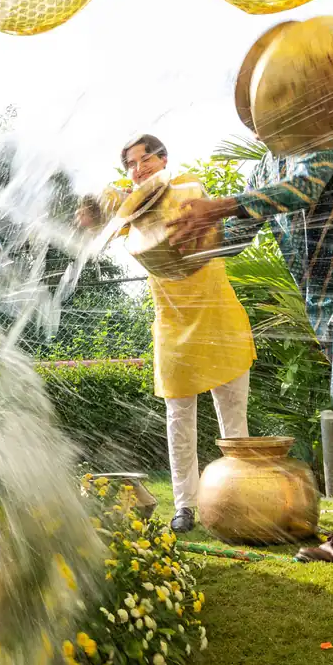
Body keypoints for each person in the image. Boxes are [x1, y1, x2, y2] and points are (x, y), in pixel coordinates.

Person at [170, 144, 333, 561]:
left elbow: (302, 188)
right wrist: (181, 248)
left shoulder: (316, 141)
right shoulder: (265, 167)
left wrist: (219, 206)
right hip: (327, 299)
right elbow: (238, 236)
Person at [77, 135, 255, 534]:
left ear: (164, 160)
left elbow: (154, 199)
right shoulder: (132, 212)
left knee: (233, 419)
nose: (138, 169)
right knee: (178, 421)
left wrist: (125, 199)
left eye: (145, 160)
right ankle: (185, 506)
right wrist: (93, 211)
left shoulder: (187, 186)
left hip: (219, 319)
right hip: (173, 327)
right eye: (130, 165)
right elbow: (106, 212)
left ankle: (240, 500)